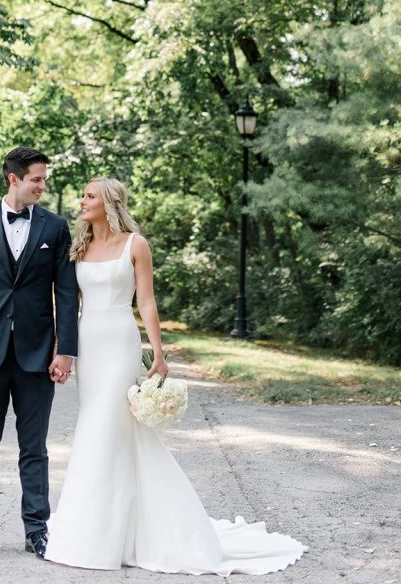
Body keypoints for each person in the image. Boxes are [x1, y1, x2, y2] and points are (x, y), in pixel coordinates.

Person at [44, 177, 306, 575]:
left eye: (90, 196)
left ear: (110, 202)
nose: (82, 201)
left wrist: (159, 353)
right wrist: (62, 347)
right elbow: (67, 302)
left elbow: (146, 301)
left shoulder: (136, 244)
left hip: (118, 342)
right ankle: (97, 530)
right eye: (83, 195)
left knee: (107, 426)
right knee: (95, 426)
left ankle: (106, 537)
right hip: (88, 345)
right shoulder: (78, 246)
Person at [0, 146, 79, 562]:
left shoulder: (56, 227)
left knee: (34, 448)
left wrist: (66, 351)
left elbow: (65, 293)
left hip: (37, 355)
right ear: (13, 179)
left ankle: (37, 529)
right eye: (36, 179)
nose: (43, 186)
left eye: (43, 179)